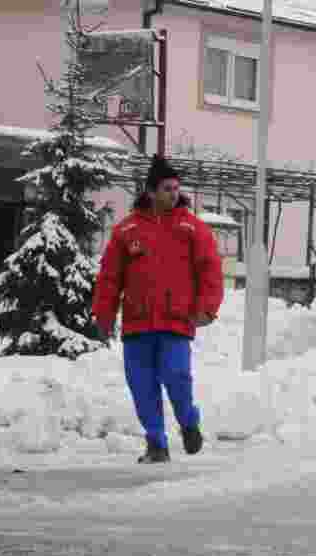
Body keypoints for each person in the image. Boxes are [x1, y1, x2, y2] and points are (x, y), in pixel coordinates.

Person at [92, 154, 224, 464]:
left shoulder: (192, 228)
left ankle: (189, 422)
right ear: (150, 192)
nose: (173, 193)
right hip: (137, 325)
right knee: (142, 388)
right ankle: (156, 443)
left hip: (176, 321)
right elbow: (110, 277)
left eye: (176, 188)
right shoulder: (126, 231)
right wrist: (104, 315)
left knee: (177, 376)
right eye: (167, 188)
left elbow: (210, 270)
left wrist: (206, 307)